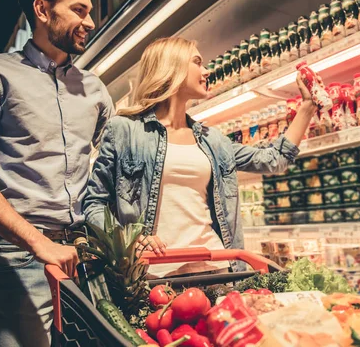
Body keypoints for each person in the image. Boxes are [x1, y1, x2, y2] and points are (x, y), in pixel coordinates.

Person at [0, 0, 114, 346]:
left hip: (88, 253)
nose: (89, 21)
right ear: (42, 10)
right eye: (79, 10)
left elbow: (111, 171)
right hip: (22, 253)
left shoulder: (95, 90)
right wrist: (36, 242)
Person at [83, 37, 316, 278]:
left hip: (216, 266)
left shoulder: (212, 140)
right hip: (153, 273)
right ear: (171, 67)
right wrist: (127, 240)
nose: (206, 71)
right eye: (197, 62)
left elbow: (274, 159)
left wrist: (308, 106)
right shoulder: (124, 131)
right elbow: (94, 203)